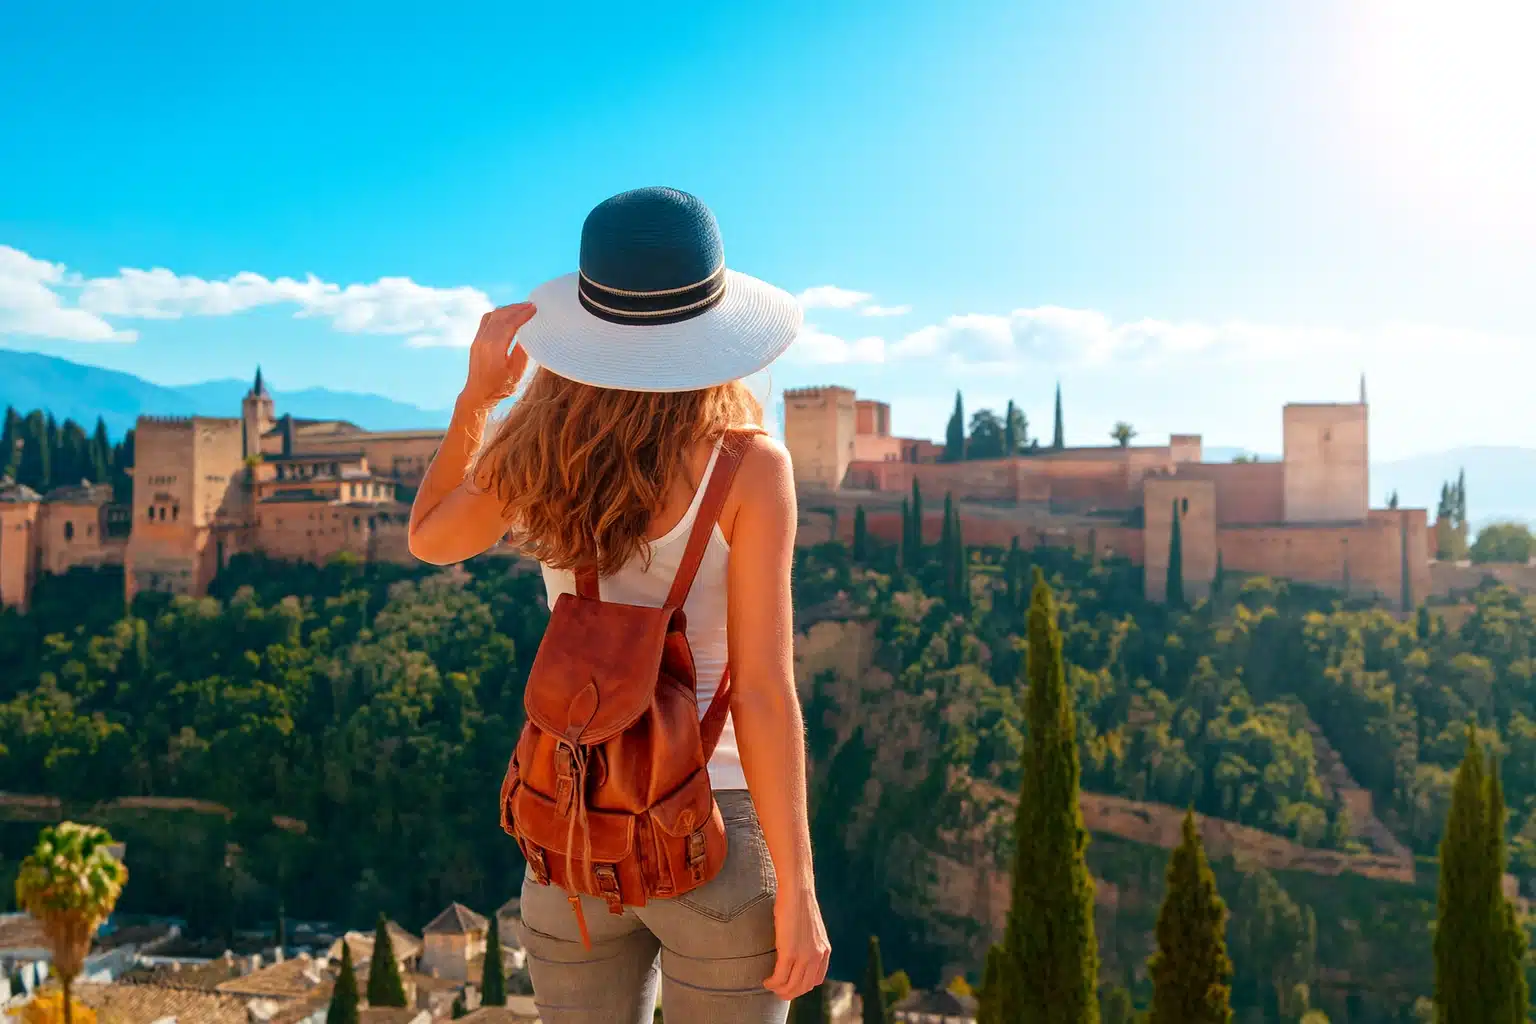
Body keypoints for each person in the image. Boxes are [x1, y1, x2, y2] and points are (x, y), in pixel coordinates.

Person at [407, 187, 829, 1023]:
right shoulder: (749, 468)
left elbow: (429, 538)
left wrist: (476, 400)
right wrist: (799, 889)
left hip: (572, 832)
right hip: (713, 829)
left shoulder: (535, 452)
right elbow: (761, 693)